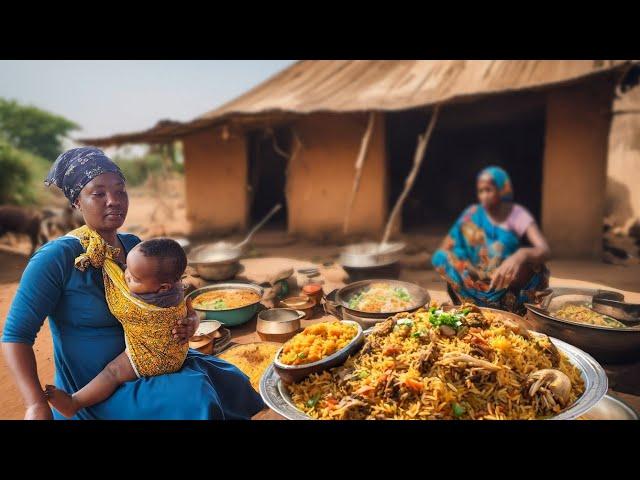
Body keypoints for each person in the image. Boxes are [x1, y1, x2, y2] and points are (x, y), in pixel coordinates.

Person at [1, 147, 264, 419]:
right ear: (76, 202)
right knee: (194, 395)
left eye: (120, 190)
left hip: (148, 362)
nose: (114, 200)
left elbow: (170, 299)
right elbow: (15, 336)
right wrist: (35, 404)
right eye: (99, 193)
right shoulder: (57, 258)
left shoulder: (135, 248)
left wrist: (188, 323)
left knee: (228, 378)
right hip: (94, 389)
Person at [45, 237, 192, 418]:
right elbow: (190, 310)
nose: (126, 275)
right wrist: (193, 321)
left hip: (156, 357)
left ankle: (74, 402)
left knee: (112, 372)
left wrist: (105, 262)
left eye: (135, 278)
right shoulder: (174, 287)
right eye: (127, 268)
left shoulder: (144, 304)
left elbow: (119, 302)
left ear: (162, 288)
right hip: (179, 350)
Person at [432, 166, 551, 314]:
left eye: (488, 190)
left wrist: (522, 254)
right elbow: (447, 246)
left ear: (502, 190)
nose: (484, 196)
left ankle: (509, 306)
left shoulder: (516, 214)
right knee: (441, 258)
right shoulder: (472, 213)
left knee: (527, 263)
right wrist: (470, 267)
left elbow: (544, 250)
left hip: (506, 278)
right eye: (480, 191)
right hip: (474, 277)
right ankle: (470, 303)